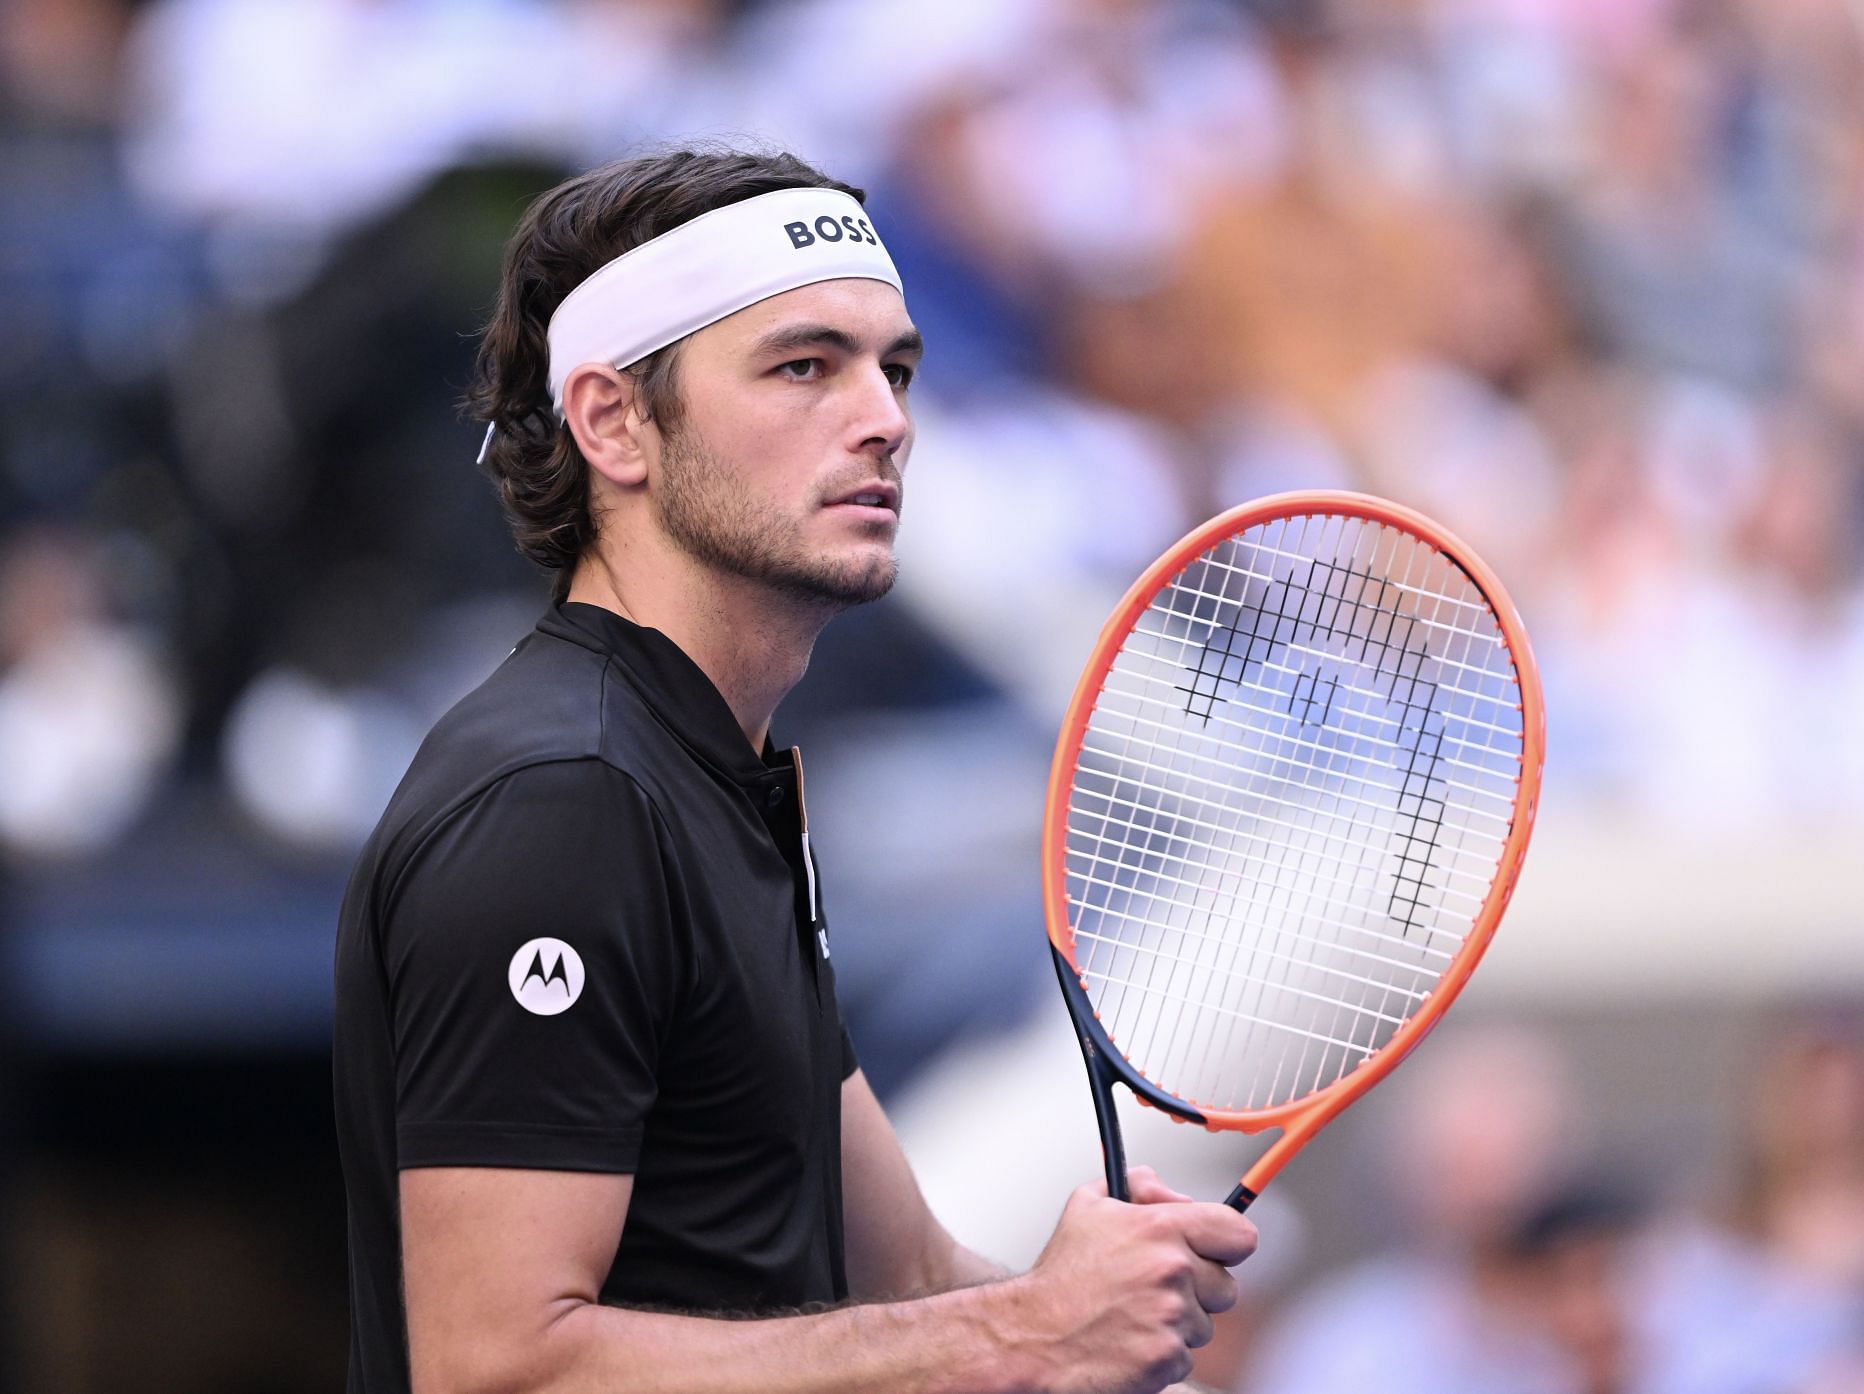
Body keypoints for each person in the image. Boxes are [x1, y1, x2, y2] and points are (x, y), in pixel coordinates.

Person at [332, 144, 1256, 1394]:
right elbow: (501, 1367)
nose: (886, 418)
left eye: (897, 368)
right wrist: (1023, 1335)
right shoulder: (562, 799)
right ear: (613, 421)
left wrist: (1086, 1319)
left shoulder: (717, 776)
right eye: (804, 365)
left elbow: (910, 1274)